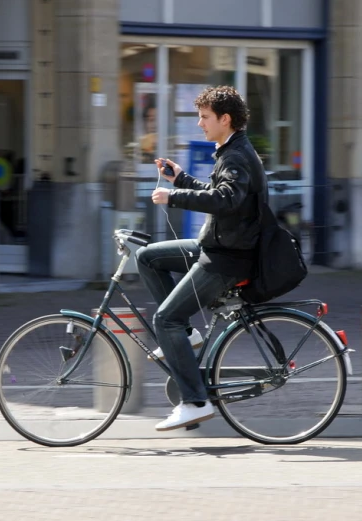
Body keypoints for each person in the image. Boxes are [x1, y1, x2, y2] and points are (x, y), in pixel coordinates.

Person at [135, 85, 268, 431]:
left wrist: (173, 196)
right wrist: (180, 178)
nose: (199, 123)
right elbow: (218, 194)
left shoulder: (236, 155)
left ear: (225, 119)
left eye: (205, 117)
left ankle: (194, 402)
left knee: (164, 319)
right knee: (148, 257)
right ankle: (188, 335)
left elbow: (226, 201)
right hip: (216, 245)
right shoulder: (230, 150)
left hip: (226, 259)